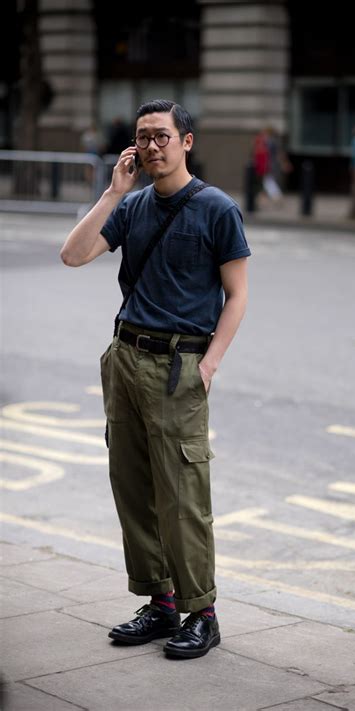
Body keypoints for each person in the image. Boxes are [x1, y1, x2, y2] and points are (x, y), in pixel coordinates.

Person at [60, 99, 251, 659]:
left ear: (186, 142)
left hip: (179, 365)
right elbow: (72, 255)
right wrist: (113, 192)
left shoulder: (218, 208)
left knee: (183, 495)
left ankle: (202, 612)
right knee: (134, 488)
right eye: (143, 136)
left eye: (163, 136)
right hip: (124, 357)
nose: (151, 145)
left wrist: (209, 364)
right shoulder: (133, 204)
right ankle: (161, 603)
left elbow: (237, 296)